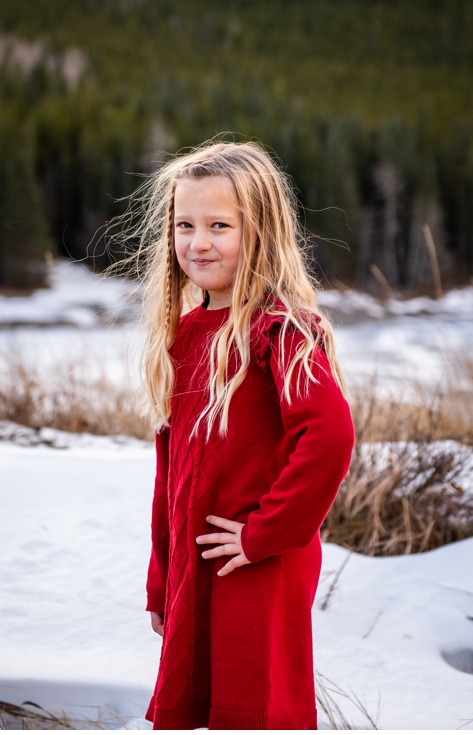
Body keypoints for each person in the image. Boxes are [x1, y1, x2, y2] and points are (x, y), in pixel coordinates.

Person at [123, 139, 356, 729]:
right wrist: (163, 577)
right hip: (200, 562)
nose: (198, 243)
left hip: (259, 563)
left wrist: (265, 532)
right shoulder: (186, 333)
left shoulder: (280, 330)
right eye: (185, 225)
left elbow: (328, 437)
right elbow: (171, 474)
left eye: (219, 226)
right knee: (203, 700)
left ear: (261, 232)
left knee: (254, 708)